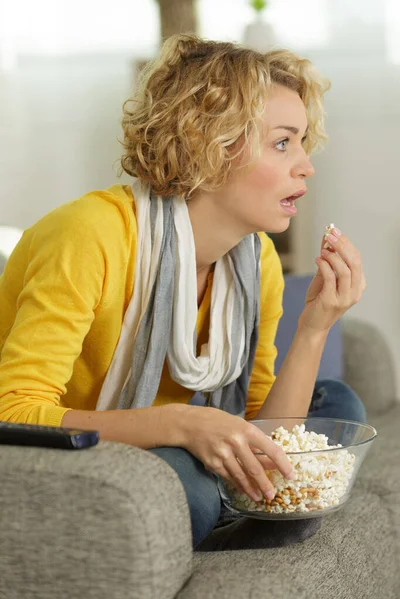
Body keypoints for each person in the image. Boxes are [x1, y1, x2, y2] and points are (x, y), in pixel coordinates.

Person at [0, 34, 367, 549]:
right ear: (207, 146)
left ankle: (225, 507)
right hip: (65, 459)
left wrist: (314, 328)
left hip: (167, 443)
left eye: (303, 142)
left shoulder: (254, 256)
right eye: (283, 142)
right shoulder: (88, 235)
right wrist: (181, 423)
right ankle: (229, 509)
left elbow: (268, 429)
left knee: (340, 406)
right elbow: (13, 414)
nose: (305, 164)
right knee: (186, 479)